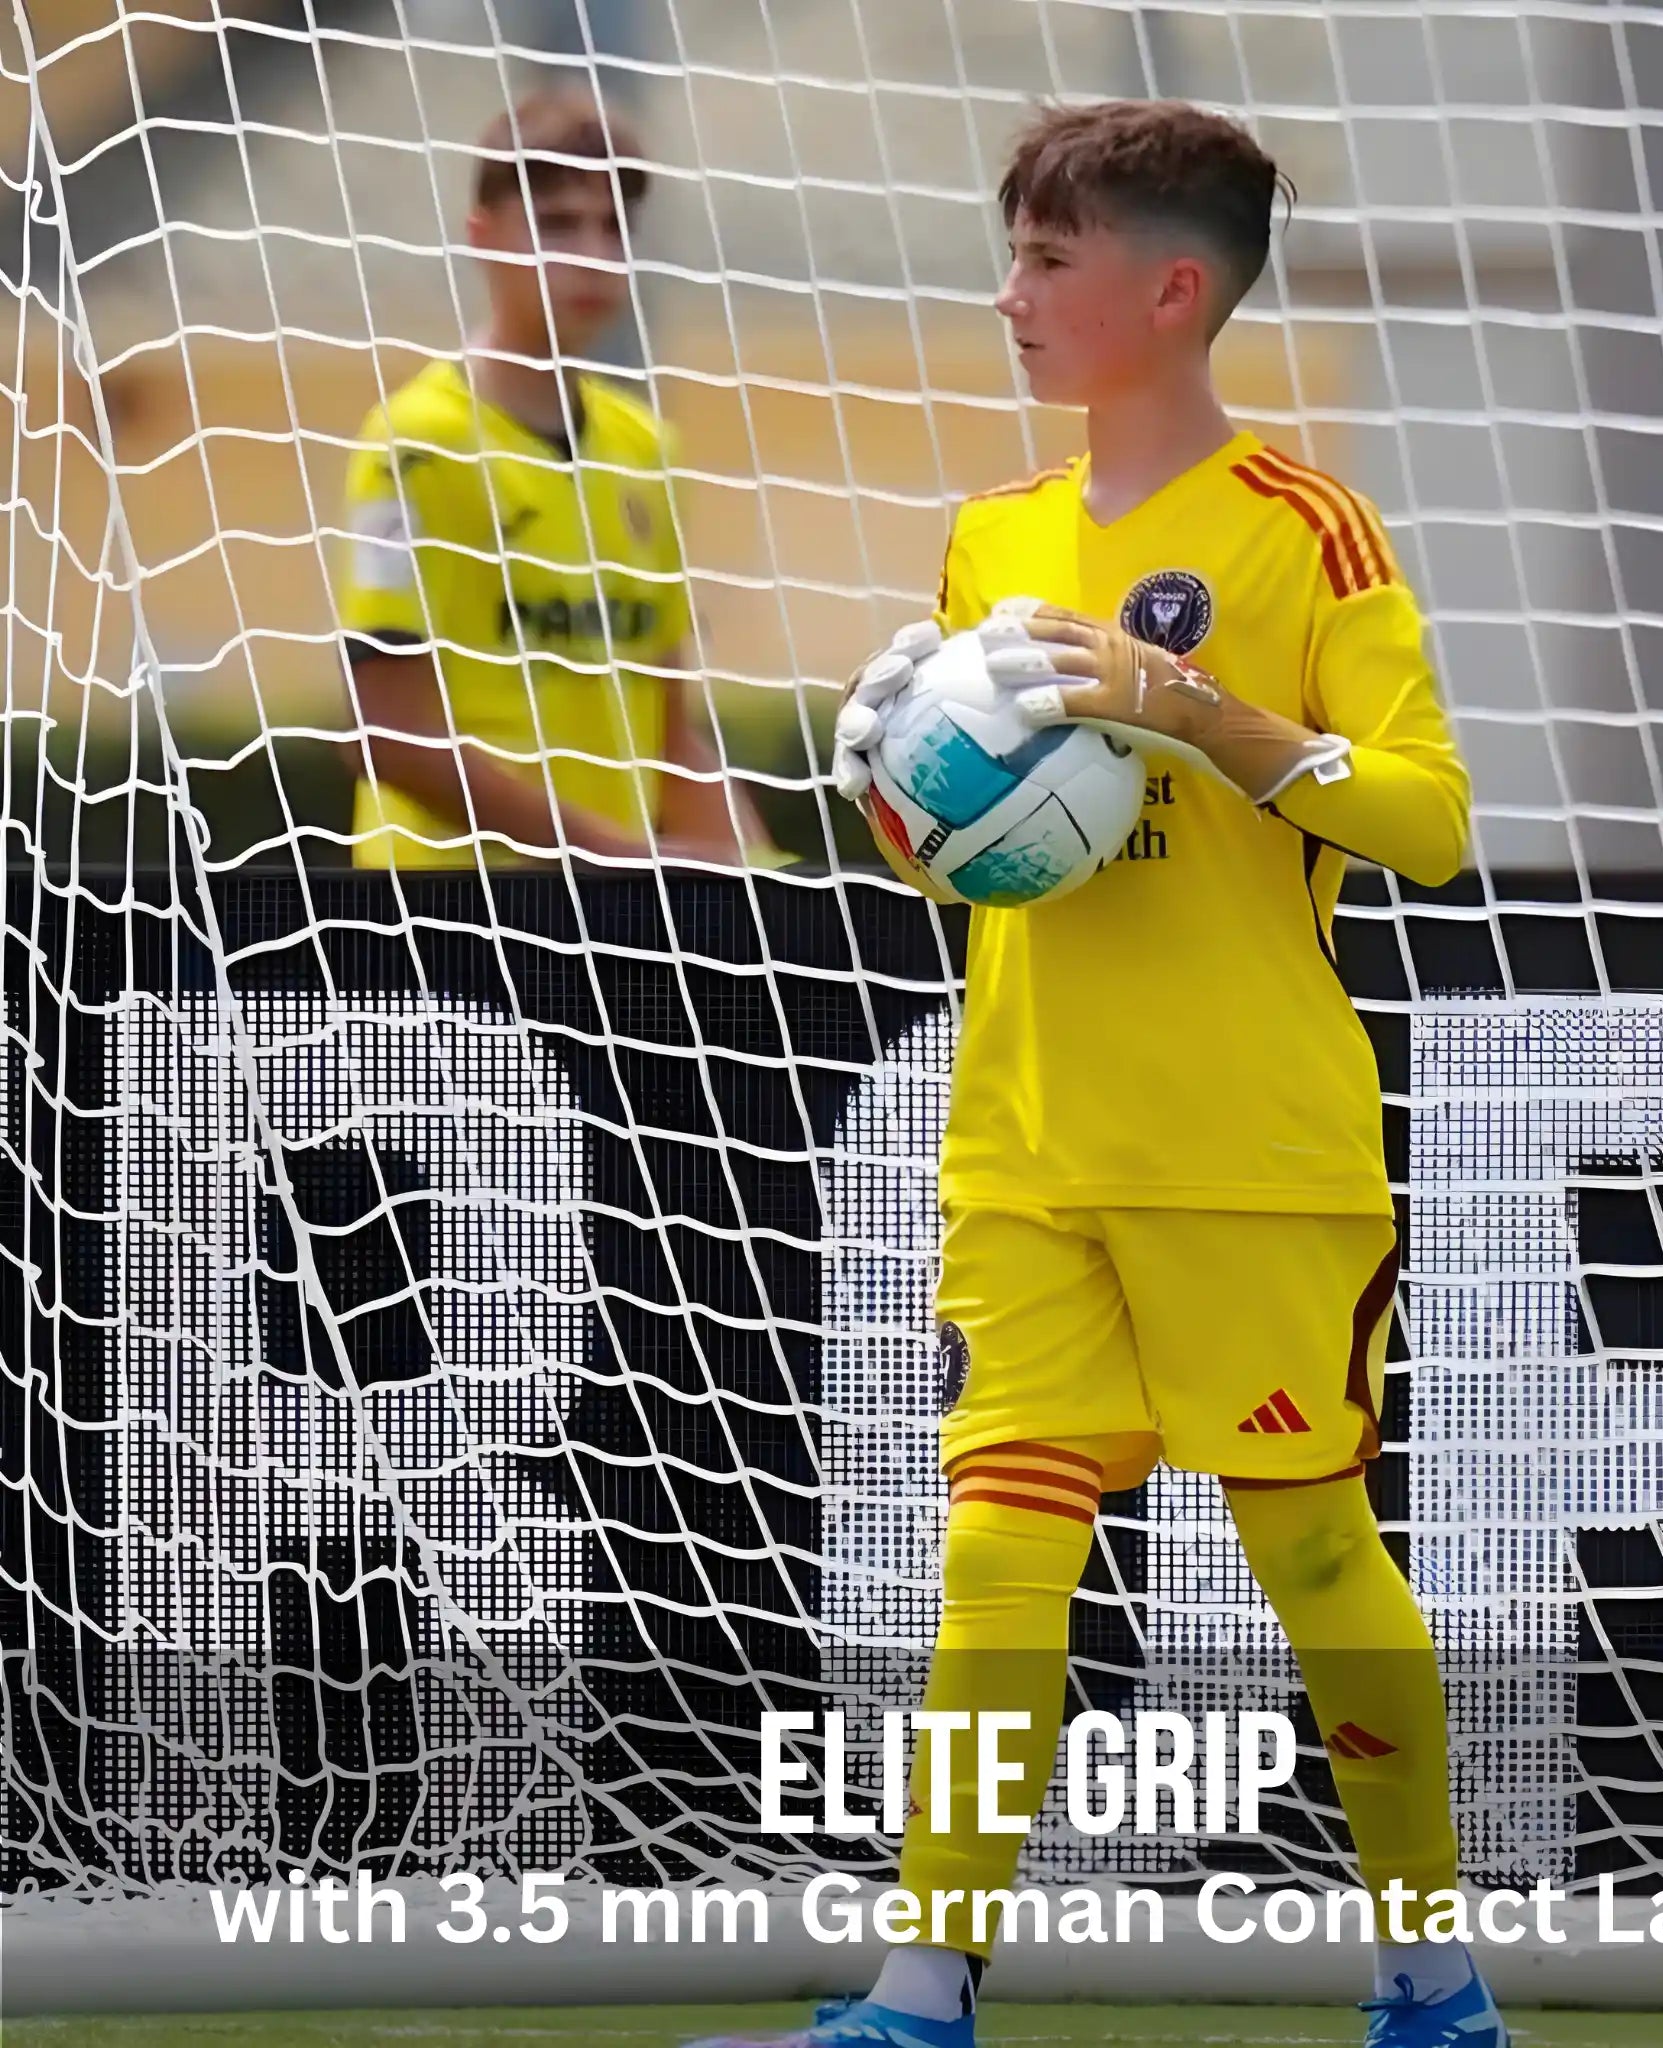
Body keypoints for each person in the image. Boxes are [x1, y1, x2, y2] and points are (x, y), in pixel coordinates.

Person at [689, 100, 1497, 2048]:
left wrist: (1198, 713)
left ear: (1170, 288)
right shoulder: (990, 536)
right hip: (1026, 1136)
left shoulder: (1306, 530)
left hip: (1244, 1148)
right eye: (1013, 254)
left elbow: (1430, 823)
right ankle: (918, 1991)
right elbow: (990, 846)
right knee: (994, 1542)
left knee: (1310, 1545)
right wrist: (902, 795)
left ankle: (1431, 1975)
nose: (1014, 296)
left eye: (1051, 260)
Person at [336, 88, 765, 870]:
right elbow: (386, 736)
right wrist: (615, 857)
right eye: (559, 226)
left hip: (614, 934)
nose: (594, 258)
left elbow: (667, 732)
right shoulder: (414, 442)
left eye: (614, 230)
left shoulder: (647, 447)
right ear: (483, 236)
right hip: (442, 931)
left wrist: (773, 888)